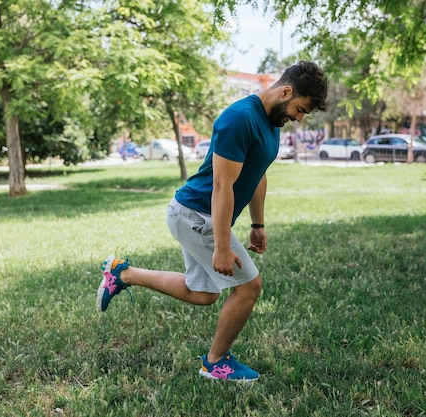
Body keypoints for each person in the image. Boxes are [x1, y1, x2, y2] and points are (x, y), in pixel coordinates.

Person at [96, 61, 329, 382]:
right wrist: (221, 245)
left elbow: (258, 175)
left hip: (199, 214)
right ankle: (215, 363)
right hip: (195, 215)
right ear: (286, 91)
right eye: (300, 109)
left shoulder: (271, 123)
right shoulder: (239, 119)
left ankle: (123, 273)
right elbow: (222, 186)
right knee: (249, 288)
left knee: (203, 294)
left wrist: (257, 225)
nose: (299, 118)